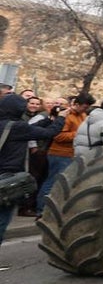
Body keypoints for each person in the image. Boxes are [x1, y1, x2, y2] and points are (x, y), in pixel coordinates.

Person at [0, 94, 65, 246]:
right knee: (3, 216)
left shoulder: (11, 125)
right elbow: (48, 133)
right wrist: (61, 118)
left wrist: (50, 119)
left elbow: (32, 128)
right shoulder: (17, 127)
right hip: (7, 178)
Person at [37, 93, 94, 216]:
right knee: (53, 182)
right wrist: (78, 134)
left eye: (87, 107)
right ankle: (41, 210)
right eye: (84, 107)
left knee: (62, 184)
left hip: (71, 154)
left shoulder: (83, 115)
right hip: (59, 154)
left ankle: (51, 210)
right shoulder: (66, 115)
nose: (86, 109)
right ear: (76, 104)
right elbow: (58, 136)